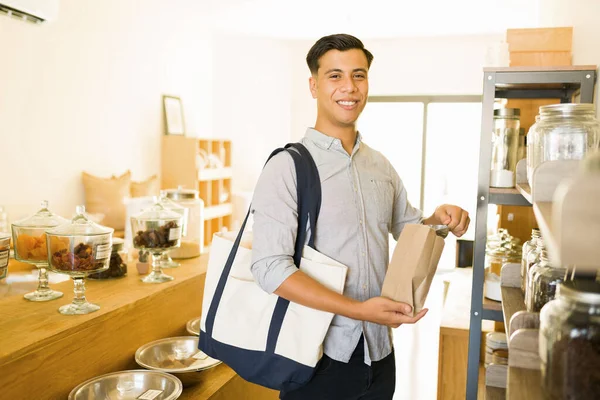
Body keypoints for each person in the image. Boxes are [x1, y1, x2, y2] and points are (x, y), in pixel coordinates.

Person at [250, 33, 470, 400]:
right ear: (313, 85)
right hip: (317, 357)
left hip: (380, 351)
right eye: (334, 76)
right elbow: (270, 267)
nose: (348, 87)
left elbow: (408, 227)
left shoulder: (380, 165)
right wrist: (359, 310)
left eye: (359, 75)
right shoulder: (287, 166)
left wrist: (438, 220)